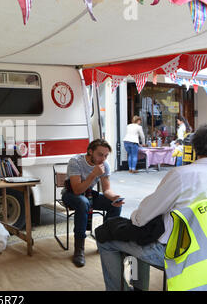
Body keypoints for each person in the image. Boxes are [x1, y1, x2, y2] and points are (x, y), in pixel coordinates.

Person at [97, 124, 207, 291]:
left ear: (195, 147)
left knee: (107, 236)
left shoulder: (182, 176)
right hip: (201, 259)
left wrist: (136, 217)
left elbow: (141, 218)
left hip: (177, 254)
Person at [62, 139, 124, 267]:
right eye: (100, 154)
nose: (103, 159)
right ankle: (79, 250)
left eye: (106, 155)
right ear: (90, 151)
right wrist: (93, 174)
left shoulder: (104, 165)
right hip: (71, 194)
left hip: (89, 194)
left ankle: (105, 242)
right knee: (83, 203)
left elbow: (106, 190)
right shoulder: (76, 161)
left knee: (114, 206)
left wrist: (114, 197)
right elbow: (77, 190)